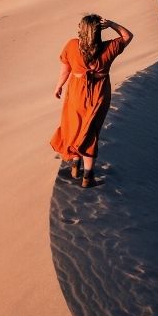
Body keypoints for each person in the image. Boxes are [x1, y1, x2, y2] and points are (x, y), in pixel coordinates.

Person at [50, 14, 133, 188]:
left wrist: (59, 86)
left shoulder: (72, 45)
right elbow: (127, 36)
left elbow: (65, 69)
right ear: (98, 31)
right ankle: (88, 177)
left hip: (76, 92)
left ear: (81, 29)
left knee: (74, 125)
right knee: (91, 131)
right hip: (99, 94)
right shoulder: (109, 47)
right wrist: (111, 24)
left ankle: (75, 165)